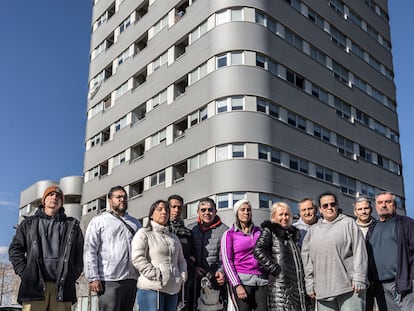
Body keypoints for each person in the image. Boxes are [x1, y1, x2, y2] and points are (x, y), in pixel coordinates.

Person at [9, 186, 84, 311]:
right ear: (44, 199)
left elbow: (79, 254)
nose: (54, 197)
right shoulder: (28, 224)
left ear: (61, 201)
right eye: (51, 194)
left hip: (62, 288)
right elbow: (15, 250)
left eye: (58, 196)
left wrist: (72, 275)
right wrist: (25, 273)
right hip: (34, 286)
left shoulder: (72, 226)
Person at [301, 192, 368, 311]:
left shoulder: (348, 223)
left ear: (337, 206)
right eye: (325, 205)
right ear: (320, 209)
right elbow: (307, 260)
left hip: (350, 288)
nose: (329, 207)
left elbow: (360, 251)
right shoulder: (313, 230)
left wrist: (360, 277)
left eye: (332, 204)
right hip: (323, 291)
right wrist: (309, 283)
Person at [84, 185, 141, 311]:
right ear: (110, 200)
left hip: (131, 279)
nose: (122, 199)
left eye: (125, 197)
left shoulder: (136, 223)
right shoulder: (99, 221)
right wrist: (93, 277)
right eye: (118, 197)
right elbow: (90, 250)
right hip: (109, 279)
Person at [131, 200, 187, 311]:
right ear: (151, 214)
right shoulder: (144, 233)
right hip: (151, 288)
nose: (164, 212)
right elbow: (137, 258)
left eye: (166, 210)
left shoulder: (173, 238)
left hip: (173, 290)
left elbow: (181, 260)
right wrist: (155, 274)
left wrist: (182, 276)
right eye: (160, 209)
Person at [253, 202, 309, 310]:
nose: (284, 217)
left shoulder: (292, 234)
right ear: (274, 216)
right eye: (281, 214)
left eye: (287, 214)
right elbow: (258, 250)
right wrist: (275, 269)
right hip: (280, 286)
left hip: (296, 286)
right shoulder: (270, 231)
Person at [366, 191, 414, 311]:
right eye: (380, 203)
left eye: (388, 202)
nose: (384, 205)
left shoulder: (406, 224)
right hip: (380, 286)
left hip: (404, 282)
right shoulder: (372, 229)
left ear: (395, 205)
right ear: (376, 207)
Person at [221, 199, 268, 311]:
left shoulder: (259, 231)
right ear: (237, 212)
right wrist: (237, 285)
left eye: (248, 210)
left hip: (261, 279)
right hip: (242, 280)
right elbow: (227, 261)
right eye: (242, 210)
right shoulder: (229, 234)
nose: (246, 212)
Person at [189, 197, 229, 311]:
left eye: (210, 210)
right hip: (194, 281)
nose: (207, 213)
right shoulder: (190, 229)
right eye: (203, 210)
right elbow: (186, 255)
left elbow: (226, 257)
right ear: (198, 212)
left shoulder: (225, 230)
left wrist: (221, 271)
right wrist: (194, 268)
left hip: (215, 282)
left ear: (215, 211)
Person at [167, 195, 194, 311]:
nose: (176, 210)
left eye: (179, 207)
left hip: (183, 280)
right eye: (173, 207)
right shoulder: (160, 229)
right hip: (165, 278)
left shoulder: (188, 232)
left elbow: (192, 255)